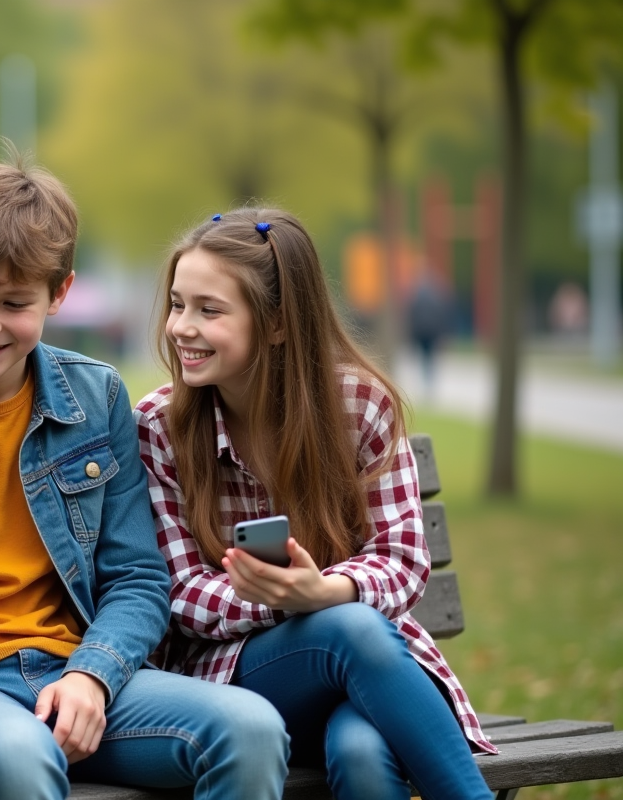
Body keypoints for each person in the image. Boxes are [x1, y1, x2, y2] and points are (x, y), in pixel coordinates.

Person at [0, 155, 289, 800]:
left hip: (83, 674)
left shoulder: (96, 398)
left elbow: (138, 577)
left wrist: (94, 675)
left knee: (251, 728)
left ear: (58, 294)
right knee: (18, 757)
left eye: (14, 303)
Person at [134, 208, 497, 800]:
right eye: (178, 304)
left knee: (360, 752)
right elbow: (177, 593)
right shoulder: (158, 427)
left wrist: (324, 591)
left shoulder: (359, 406)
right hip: (235, 680)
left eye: (209, 309)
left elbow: (403, 558)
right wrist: (291, 602)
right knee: (349, 627)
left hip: (369, 676)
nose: (181, 327)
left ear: (276, 324)